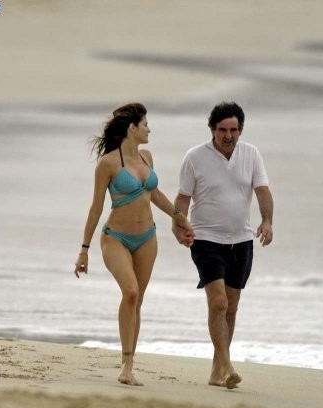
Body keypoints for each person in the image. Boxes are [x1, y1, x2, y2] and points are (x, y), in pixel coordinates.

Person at [74, 102, 194, 386]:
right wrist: (84, 250)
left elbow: (154, 193)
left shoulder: (146, 157)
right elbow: (96, 208)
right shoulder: (108, 163)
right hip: (115, 238)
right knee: (130, 292)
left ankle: (128, 366)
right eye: (145, 125)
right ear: (132, 128)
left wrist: (180, 218)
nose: (149, 129)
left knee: (137, 300)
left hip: (147, 238)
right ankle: (124, 365)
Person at [172, 101, 274, 389]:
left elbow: (262, 191)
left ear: (240, 130)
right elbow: (182, 198)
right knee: (218, 302)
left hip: (241, 241)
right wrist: (177, 225)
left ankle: (217, 371)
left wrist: (267, 221)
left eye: (233, 130)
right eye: (222, 130)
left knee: (231, 307)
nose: (228, 136)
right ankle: (228, 367)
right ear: (212, 130)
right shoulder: (195, 157)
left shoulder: (251, 154)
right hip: (205, 238)